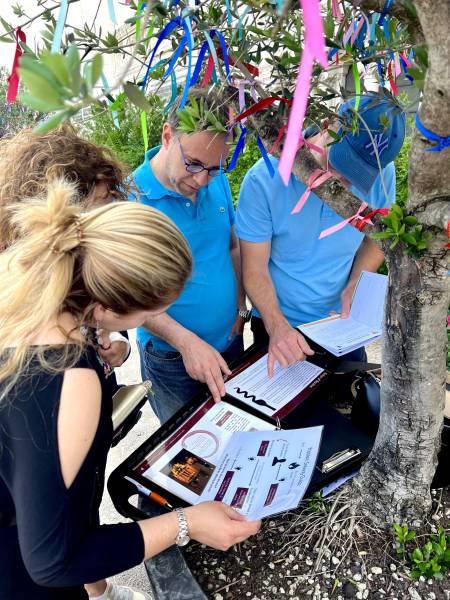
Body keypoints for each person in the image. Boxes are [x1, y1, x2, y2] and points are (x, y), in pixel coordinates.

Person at [0, 180, 260, 600]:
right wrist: (186, 523)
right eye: (155, 310)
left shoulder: (22, 287)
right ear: (106, 305)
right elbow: (53, 561)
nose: (159, 317)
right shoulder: (70, 378)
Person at [236, 94, 406, 375]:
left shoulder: (381, 175)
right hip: (280, 324)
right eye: (340, 164)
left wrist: (355, 283)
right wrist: (278, 326)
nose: (342, 181)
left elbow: (377, 238)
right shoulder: (263, 180)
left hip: (340, 324)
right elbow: (254, 269)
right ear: (328, 124)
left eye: (356, 174)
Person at [131, 86, 249, 424]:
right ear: (168, 135)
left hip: (230, 340)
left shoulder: (215, 181)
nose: (201, 180)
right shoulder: (130, 200)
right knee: (190, 457)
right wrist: (186, 343)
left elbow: (232, 246)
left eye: (214, 168)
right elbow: (127, 297)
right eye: (193, 164)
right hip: (172, 361)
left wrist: (241, 309)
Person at [0, 124, 132, 369]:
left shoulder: (91, 257)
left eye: (111, 199)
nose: (110, 211)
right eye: (101, 200)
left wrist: (116, 339)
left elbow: (111, 317)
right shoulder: (17, 285)